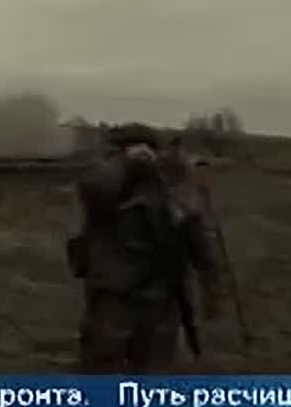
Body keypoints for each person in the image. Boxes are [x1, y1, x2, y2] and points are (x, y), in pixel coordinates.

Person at [68, 124, 222, 379]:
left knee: (106, 370)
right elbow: (199, 242)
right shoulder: (170, 186)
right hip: (150, 297)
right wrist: (211, 288)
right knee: (144, 372)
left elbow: (195, 236)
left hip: (120, 295)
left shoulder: (109, 182)